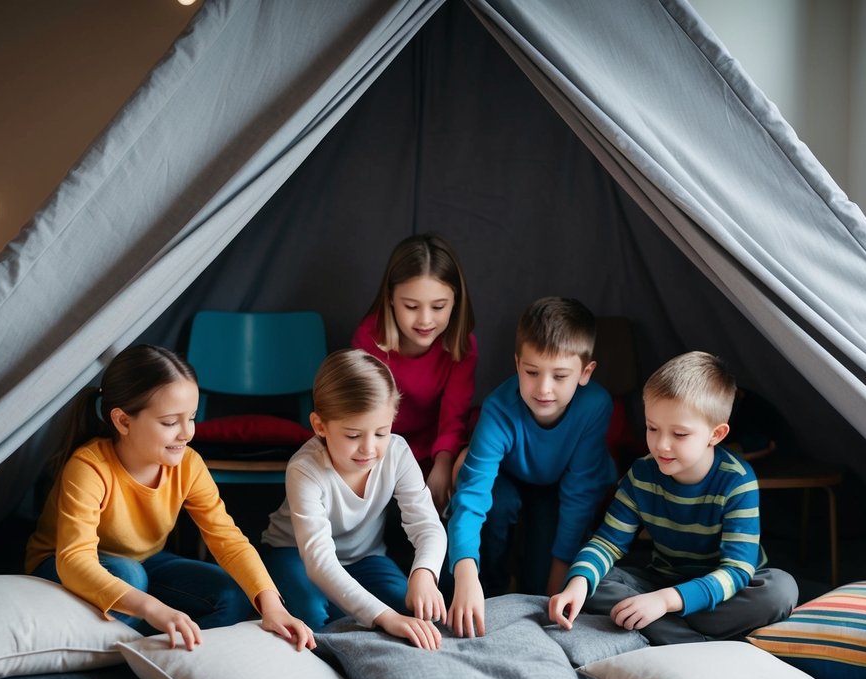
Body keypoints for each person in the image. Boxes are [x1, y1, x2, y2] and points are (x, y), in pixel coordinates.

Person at [25, 344, 315, 652]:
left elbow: (227, 539)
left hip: (144, 562)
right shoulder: (89, 468)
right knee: (129, 576)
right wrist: (153, 609)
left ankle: (172, 660)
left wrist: (272, 607)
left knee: (230, 594)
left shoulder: (188, 464)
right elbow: (74, 560)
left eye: (191, 417)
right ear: (123, 422)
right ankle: (120, 659)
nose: (186, 432)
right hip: (63, 563)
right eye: (169, 422)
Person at [548, 351, 798, 645]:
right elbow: (607, 542)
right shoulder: (641, 474)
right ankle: (698, 640)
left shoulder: (736, 481)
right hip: (663, 580)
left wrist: (666, 602)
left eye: (679, 434)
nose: (661, 445)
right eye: (652, 428)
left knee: (781, 590)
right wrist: (578, 584)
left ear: (715, 434)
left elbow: (737, 570)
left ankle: (664, 629)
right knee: (594, 582)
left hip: (727, 590)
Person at [446, 297, 615, 638]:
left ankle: (525, 582)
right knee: (495, 507)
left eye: (560, 375)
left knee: (540, 587)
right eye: (532, 372)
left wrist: (557, 580)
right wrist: (466, 576)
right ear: (517, 364)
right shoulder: (499, 409)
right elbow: (472, 497)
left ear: (585, 373)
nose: (543, 388)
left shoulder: (595, 406)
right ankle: (490, 588)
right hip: (509, 478)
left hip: (559, 486)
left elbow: (580, 493)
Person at [260, 349, 447, 650]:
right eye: (352, 436)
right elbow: (319, 562)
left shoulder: (397, 453)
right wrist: (383, 617)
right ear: (320, 427)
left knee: (413, 612)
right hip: (293, 553)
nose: (369, 449)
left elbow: (427, 525)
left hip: (364, 557)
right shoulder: (304, 469)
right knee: (312, 615)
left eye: (381, 433)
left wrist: (424, 573)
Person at [352, 232, 476, 513]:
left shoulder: (462, 346)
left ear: (455, 301)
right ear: (391, 299)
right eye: (411, 306)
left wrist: (443, 462)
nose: (425, 320)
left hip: (436, 449)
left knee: (460, 478)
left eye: (438, 307)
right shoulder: (369, 338)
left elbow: (453, 414)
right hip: (379, 449)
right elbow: (366, 415)